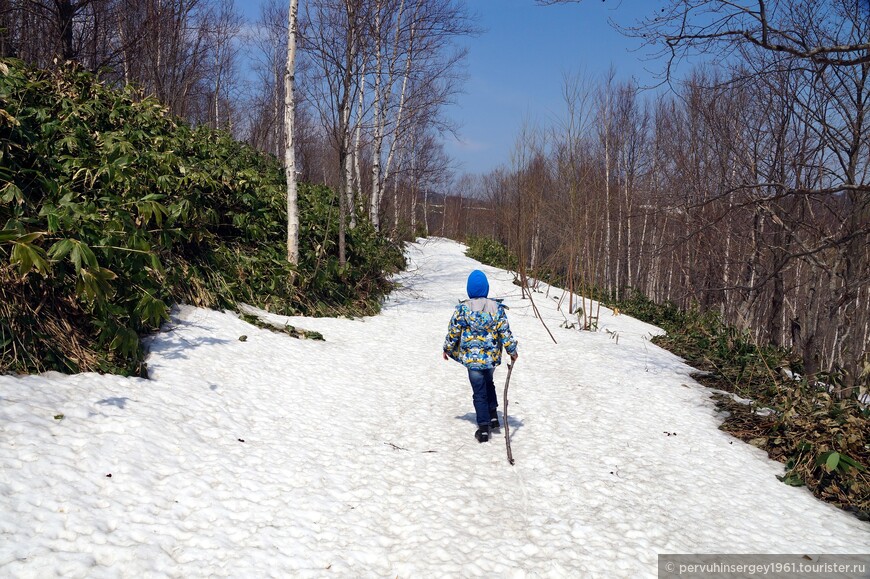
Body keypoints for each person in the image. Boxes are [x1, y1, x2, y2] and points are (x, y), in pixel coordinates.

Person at [443, 269, 519, 443]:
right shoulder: (496, 308)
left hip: (472, 360)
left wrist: (447, 348)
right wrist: (512, 351)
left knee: (479, 391)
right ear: (486, 288)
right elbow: (504, 332)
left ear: (469, 290)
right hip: (490, 359)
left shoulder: (463, 309)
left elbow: (454, 331)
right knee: (488, 383)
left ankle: (484, 428)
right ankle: (493, 416)